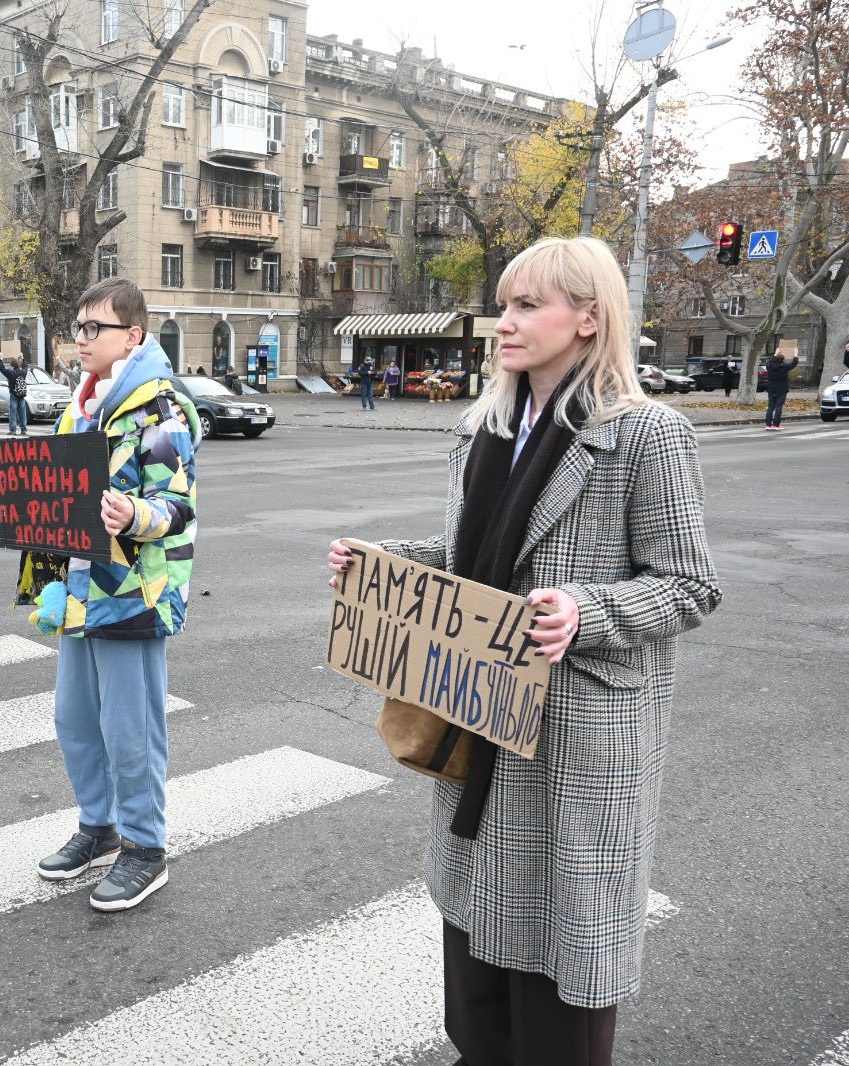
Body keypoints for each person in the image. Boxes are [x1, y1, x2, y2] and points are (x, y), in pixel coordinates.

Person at [327, 236, 719, 1066]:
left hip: (575, 739)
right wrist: (385, 562)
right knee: (477, 958)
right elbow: (475, 553)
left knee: (557, 970)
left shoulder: (647, 433)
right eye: (503, 305)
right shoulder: (485, 428)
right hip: (480, 713)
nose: (504, 322)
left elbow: (689, 585)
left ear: (587, 317)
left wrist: (586, 609)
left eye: (525, 305)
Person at [0, 277, 200, 912]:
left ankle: (146, 849)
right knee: (75, 720)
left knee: (132, 729)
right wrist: (1, 498)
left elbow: (178, 506)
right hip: (77, 590)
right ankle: (98, 829)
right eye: (78, 326)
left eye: (95, 327)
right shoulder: (82, 404)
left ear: (134, 335)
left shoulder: (159, 408)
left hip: (132, 592)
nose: (81, 337)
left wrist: (134, 514)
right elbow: (54, 493)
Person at [764, 347, 798, 430]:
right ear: (783, 360)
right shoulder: (784, 367)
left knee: (770, 407)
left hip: (771, 389)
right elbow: (793, 364)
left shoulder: (770, 366)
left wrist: (775, 354)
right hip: (781, 389)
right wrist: (795, 355)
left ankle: (768, 425)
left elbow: (769, 362)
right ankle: (776, 425)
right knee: (778, 407)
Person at [0, 354, 30, 435]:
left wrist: (1, 359)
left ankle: (13, 430)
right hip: (22, 395)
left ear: (12, 365)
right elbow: (26, 367)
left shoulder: (11, 373)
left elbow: (1, 369)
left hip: (13, 395)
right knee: (22, 413)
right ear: (18, 364)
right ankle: (23, 430)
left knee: (13, 413)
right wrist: (23, 358)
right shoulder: (23, 372)